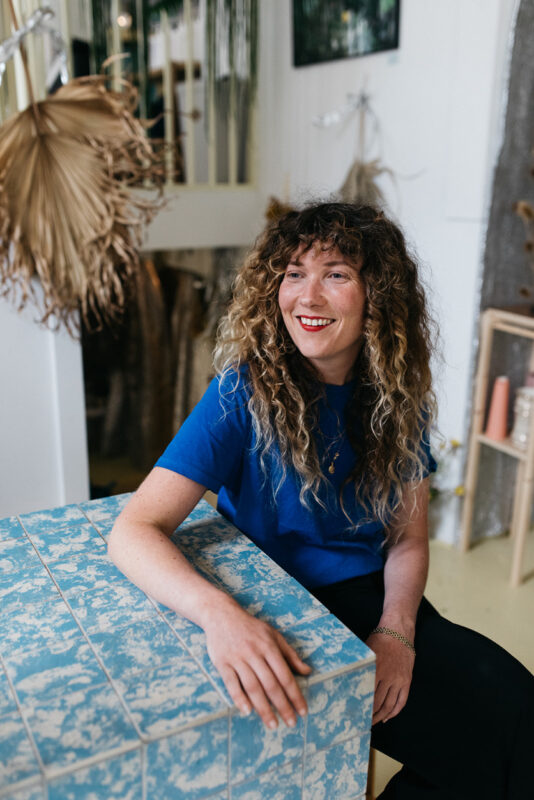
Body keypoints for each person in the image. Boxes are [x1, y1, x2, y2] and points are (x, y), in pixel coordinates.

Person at [109, 203, 534, 799]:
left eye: (335, 274)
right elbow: (134, 528)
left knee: (516, 714)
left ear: (377, 298)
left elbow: (407, 538)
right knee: (489, 751)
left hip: (372, 603)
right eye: (293, 273)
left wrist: (397, 633)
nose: (307, 297)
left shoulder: (397, 399)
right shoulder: (242, 392)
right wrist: (221, 618)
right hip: (280, 604)